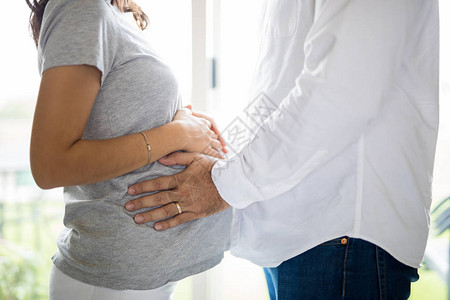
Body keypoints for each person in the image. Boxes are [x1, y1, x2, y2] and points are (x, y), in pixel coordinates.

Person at [125, 0, 440, 299]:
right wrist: (221, 149)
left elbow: (341, 93)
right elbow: (279, 89)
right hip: (295, 233)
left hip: (343, 236)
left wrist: (221, 183)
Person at [27, 0, 232, 299]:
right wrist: (180, 132)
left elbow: (119, 119)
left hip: (140, 279)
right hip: (113, 285)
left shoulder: (115, 12)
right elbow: (50, 165)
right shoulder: (81, 7)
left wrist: (184, 120)